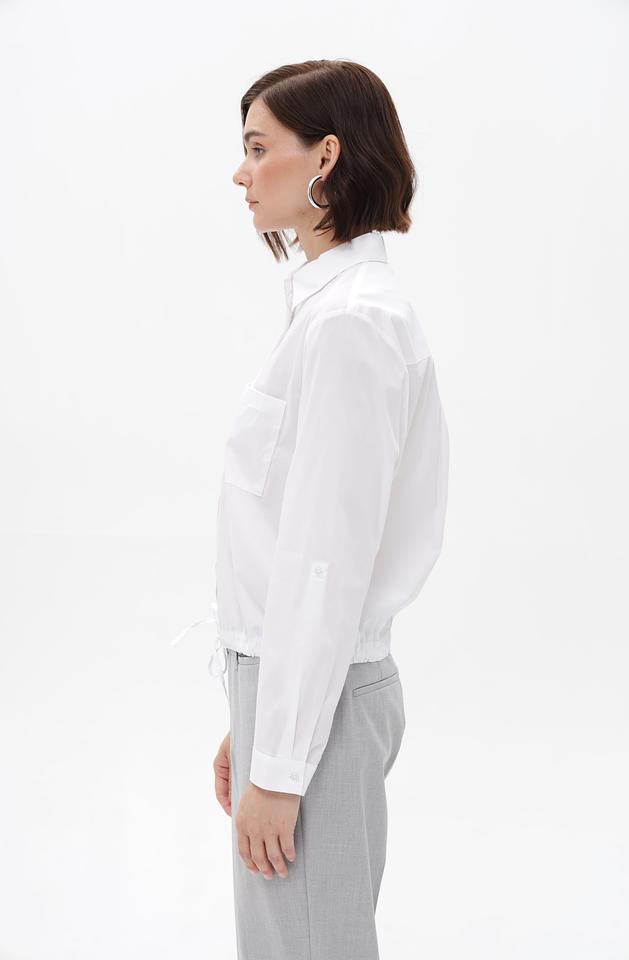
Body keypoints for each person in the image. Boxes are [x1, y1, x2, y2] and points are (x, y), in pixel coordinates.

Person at [175, 58, 449, 960]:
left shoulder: (350, 325)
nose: (241, 172)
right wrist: (254, 723)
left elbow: (325, 561)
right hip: (300, 695)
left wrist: (283, 760)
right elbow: (298, 551)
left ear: (325, 156)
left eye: (260, 149)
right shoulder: (331, 313)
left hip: (315, 713)